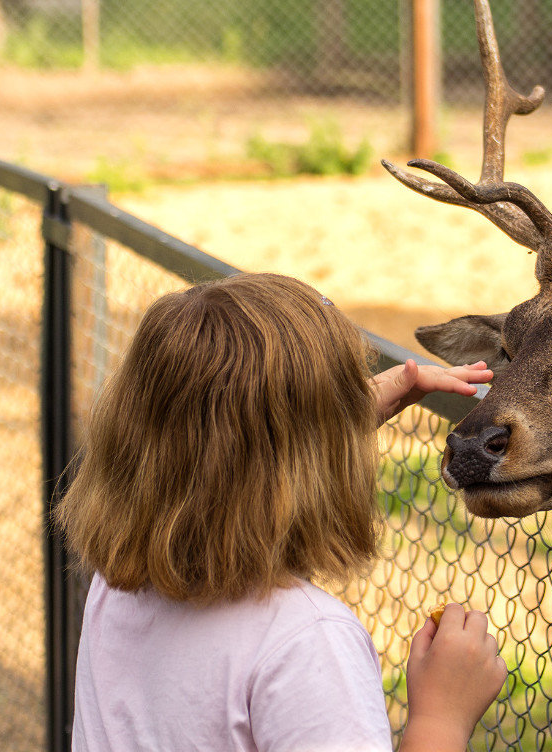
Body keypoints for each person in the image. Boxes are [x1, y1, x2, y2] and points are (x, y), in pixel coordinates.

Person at [54, 272, 505, 752]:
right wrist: (441, 719)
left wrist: (330, 420)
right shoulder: (304, 645)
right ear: (308, 464)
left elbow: (220, 444)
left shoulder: (117, 584)